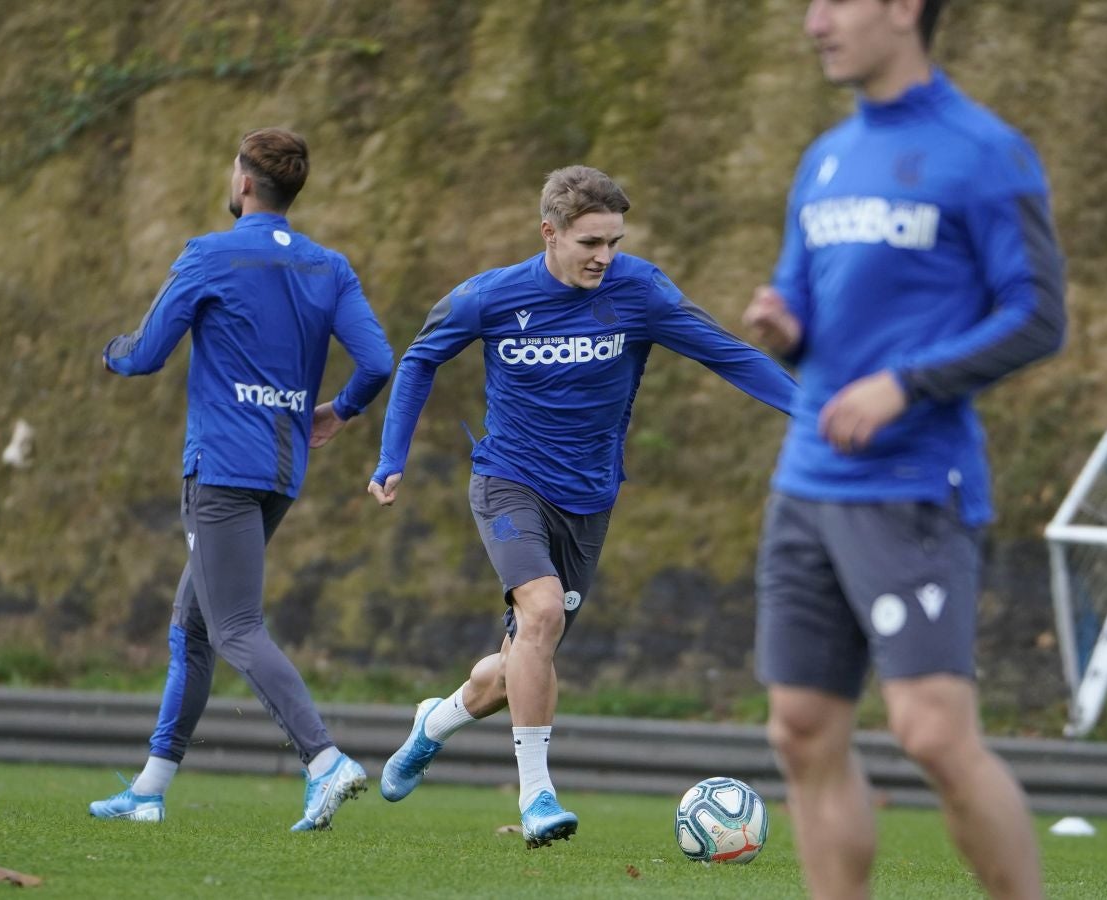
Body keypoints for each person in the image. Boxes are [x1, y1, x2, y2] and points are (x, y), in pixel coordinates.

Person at [368, 165, 795, 848]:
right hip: (507, 479)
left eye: (613, 242)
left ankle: (435, 723)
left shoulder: (641, 293)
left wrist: (809, 413)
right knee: (538, 612)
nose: (603, 256)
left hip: (590, 496)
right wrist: (392, 456)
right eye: (590, 242)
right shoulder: (491, 297)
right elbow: (419, 358)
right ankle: (537, 796)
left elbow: (729, 355)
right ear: (550, 233)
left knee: (516, 665)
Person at [743, 1, 1066, 897]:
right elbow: (807, 314)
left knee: (929, 732)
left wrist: (906, 383)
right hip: (805, 479)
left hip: (914, 482)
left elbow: (1037, 316)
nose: (813, 23)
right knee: (800, 727)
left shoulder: (983, 151)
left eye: (834, 3)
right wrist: (785, 328)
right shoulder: (825, 158)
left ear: (900, 8)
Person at [90, 127, 395, 831]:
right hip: (282, 471)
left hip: (222, 469)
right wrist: (338, 412)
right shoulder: (330, 266)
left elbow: (146, 357)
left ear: (244, 181)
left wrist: (111, 353)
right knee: (192, 628)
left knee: (232, 627)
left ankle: (325, 760)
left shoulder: (210, 255)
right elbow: (377, 360)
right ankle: (149, 787)